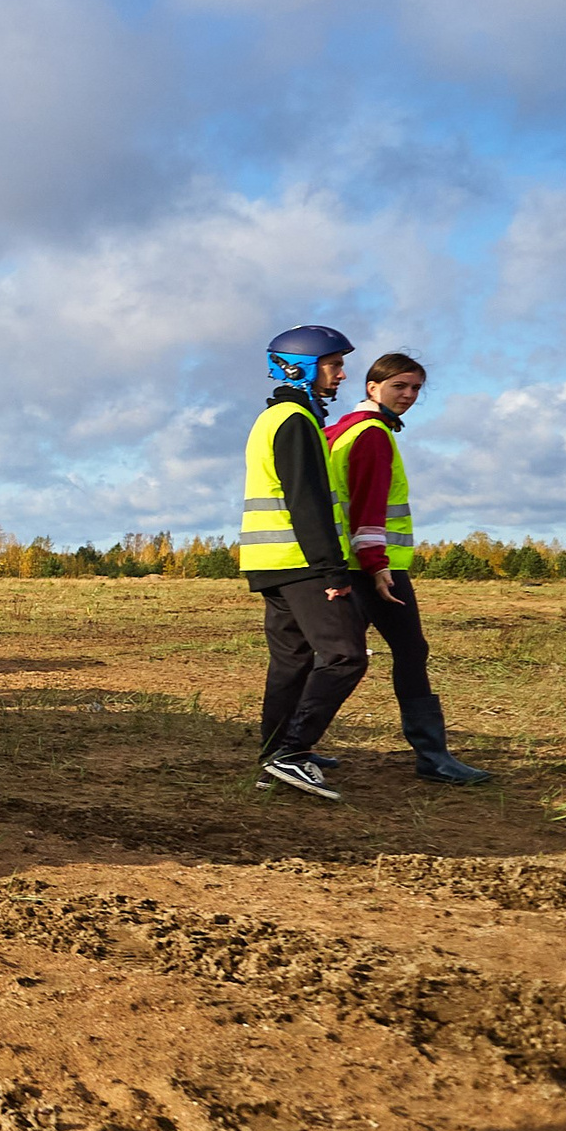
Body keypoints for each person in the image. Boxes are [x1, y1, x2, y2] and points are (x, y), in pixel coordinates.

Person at [325, 353, 493, 785]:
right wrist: (377, 565)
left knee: (337, 656)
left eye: (416, 388)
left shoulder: (340, 430)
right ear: (372, 387)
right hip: (374, 566)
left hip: (346, 563)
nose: (409, 395)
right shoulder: (372, 433)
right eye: (399, 385)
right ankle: (432, 756)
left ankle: (291, 744)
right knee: (409, 651)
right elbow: (368, 505)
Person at [239, 326, 369, 801]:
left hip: (272, 562)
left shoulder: (276, 417)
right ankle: (291, 753)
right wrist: (332, 569)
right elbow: (307, 501)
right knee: (345, 656)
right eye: (334, 365)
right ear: (300, 368)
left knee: (292, 662)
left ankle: (275, 754)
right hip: (301, 562)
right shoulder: (295, 420)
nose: (342, 374)